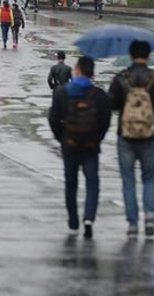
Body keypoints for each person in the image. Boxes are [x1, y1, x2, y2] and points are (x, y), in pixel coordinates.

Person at [108, 40, 154, 237]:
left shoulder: (122, 78)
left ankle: (132, 224)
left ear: (131, 55)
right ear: (148, 56)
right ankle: (149, 218)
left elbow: (111, 105)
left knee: (128, 180)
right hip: (149, 136)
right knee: (148, 178)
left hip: (126, 136)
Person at [48, 56, 112, 238]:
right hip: (91, 146)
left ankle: (73, 219)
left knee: (71, 183)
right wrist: (97, 139)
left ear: (76, 70)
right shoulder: (99, 95)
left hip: (69, 144)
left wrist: (62, 138)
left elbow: (53, 118)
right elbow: (105, 121)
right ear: (92, 73)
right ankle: (89, 218)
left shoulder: (61, 92)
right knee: (92, 183)